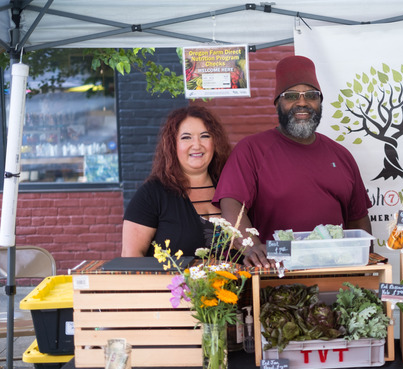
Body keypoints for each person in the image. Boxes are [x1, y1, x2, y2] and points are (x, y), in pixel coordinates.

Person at [213, 55, 372, 267]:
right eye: (292, 96)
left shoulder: (341, 155)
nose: (302, 102)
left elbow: (358, 219)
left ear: (320, 102)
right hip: (276, 273)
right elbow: (231, 204)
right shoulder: (251, 150)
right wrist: (251, 247)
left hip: (337, 273)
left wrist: (367, 264)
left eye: (311, 95)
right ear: (278, 102)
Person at [122, 105, 232, 257]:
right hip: (171, 281)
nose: (197, 145)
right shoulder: (151, 195)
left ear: (216, 142)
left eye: (205, 136)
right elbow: (131, 256)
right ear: (172, 145)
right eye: (186, 137)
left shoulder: (232, 187)